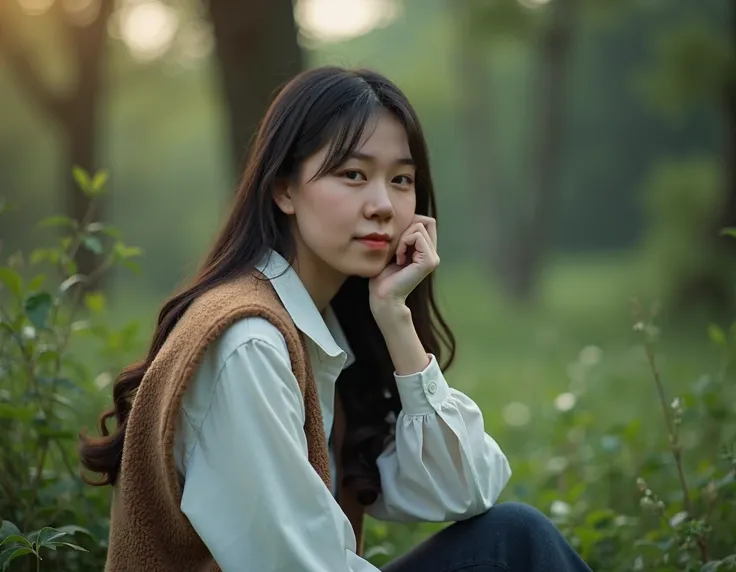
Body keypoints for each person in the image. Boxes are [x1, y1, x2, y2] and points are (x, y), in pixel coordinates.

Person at [79, 66, 592, 572]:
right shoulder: (247, 342)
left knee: (512, 537)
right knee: (514, 548)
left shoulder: (324, 332)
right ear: (284, 189)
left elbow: (465, 490)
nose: (383, 205)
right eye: (353, 175)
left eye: (401, 180)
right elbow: (293, 564)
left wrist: (396, 317)